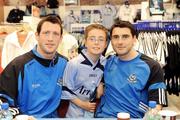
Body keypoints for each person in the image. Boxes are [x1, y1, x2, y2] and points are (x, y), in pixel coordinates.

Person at [95, 21, 168, 118]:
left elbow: (157, 104)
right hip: (103, 117)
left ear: (134, 39)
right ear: (111, 40)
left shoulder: (152, 66)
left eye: (125, 37)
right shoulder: (107, 62)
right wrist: (100, 84)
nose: (120, 42)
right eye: (116, 37)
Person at [0, 15, 68, 118]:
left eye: (55, 34)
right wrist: (19, 117)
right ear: (37, 36)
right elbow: (3, 101)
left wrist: (101, 84)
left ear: (61, 39)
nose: (50, 39)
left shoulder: (65, 64)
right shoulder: (18, 66)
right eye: (46, 33)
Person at [62, 24, 108, 117]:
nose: (96, 43)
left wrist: (101, 83)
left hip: (94, 113)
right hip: (74, 114)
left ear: (106, 44)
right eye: (92, 39)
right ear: (85, 42)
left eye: (101, 39)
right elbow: (65, 89)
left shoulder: (105, 62)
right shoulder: (73, 64)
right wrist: (82, 104)